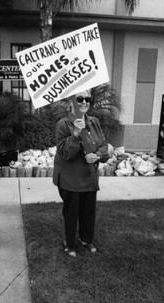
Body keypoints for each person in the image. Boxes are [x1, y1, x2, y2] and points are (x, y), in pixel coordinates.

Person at [53, 90, 109, 258]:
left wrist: (97, 155)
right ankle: (69, 243)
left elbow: (104, 145)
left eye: (87, 99)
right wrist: (76, 134)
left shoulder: (94, 122)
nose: (84, 102)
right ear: (71, 102)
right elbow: (66, 153)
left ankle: (86, 239)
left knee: (88, 210)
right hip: (71, 178)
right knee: (71, 212)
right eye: (79, 99)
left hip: (89, 176)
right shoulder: (63, 124)